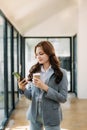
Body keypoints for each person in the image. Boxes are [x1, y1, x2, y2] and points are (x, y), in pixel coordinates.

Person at [18, 41, 68, 130]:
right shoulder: (34, 71)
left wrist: (44, 87)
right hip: (34, 115)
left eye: (41, 53)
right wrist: (23, 89)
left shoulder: (61, 73)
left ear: (49, 53)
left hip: (52, 115)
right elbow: (31, 96)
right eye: (36, 54)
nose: (38, 57)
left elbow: (63, 98)